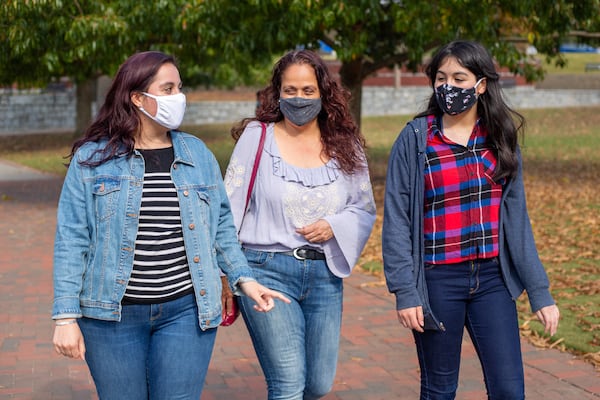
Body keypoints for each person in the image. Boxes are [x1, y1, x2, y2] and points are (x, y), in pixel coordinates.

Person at [51, 50, 289, 400]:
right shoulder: (92, 159)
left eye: (179, 87)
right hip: (112, 317)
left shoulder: (197, 154)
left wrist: (245, 279)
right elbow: (72, 239)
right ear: (137, 97)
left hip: (185, 311)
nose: (179, 97)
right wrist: (65, 318)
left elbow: (221, 224)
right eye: (168, 88)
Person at [382, 40, 560, 400]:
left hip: (493, 281)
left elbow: (517, 220)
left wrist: (539, 292)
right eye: (441, 77)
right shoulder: (416, 139)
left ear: (480, 85)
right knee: (439, 390)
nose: (449, 86)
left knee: (509, 390)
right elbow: (397, 218)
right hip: (437, 280)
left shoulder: (500, 138)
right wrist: (405, 290)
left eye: (460, 78)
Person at [224, 49, 376, 400]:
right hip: (265, 271)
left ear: (323, 93)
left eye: (308, 91)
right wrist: (228, 274)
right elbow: (226, 209)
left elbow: (363, 207)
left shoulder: (345, 145)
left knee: (318, 384)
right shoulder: (256, 137)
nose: (298, 98)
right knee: (288, 383)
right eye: (290, 90)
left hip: (325, 276)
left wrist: (335, 226)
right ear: (277, 93)